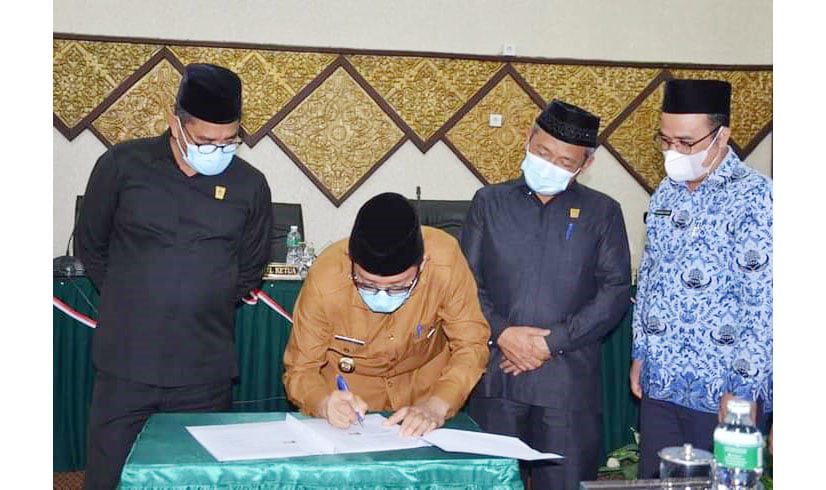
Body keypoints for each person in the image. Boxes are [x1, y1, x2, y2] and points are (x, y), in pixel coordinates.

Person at [75, 63, 272, 489]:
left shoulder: (250, 185)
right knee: (109, 476)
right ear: (175, 124)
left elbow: (251, 265)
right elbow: (91, 244)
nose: (218, 149)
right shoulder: (122, 165)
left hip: (204, 370)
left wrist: (201, 298)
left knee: (196, 479)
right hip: (127, 363)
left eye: (229, 141)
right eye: (205, 141)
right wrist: (135, 297)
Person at [460, 99, 632, 490]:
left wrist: (549, 343)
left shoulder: (603, 212)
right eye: (542, 152)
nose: (550, 165)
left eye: (565, 160)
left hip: (566, 384)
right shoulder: (489, 202)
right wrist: (503, 333)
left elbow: (615, 291)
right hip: (497, 377)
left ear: (585, 164)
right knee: (492, 483)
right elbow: (465, 282)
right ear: (528, 140)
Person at [630, 79, 772, 478]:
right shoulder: (666, 193)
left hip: (722, 389)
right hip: (661, 381)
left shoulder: (757, 197)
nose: (674, 151)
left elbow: (763, 303)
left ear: (722, 135)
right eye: (666, 140)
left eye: (686, 142)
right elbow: (650, 276)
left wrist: (742, 389)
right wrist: (641, 352)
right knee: (658, 482)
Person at [283, 192, 490, 437]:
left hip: (424, 395)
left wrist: (438, 405)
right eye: (367, 284)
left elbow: (471, 345)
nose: (382, 296)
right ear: (351, 261)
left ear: (423, 264)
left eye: (398, 286)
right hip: (352, 406)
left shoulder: (444, 262)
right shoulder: (326, 278)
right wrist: (323, 402)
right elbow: (300, 369)